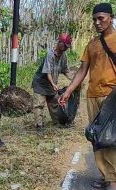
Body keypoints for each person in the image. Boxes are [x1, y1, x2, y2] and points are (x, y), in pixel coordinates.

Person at [59, 3, 116, 189]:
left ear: (111, 17)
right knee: (97, 137)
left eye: (101, 18)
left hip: (112, 97)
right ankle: (104, 174)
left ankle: (113, 179)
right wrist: (68, 91)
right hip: (92, 96)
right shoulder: (92, 44)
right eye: (94, 19)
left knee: (111, 137)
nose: (97, 22)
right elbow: (83, 70)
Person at [32, 33, 72, 129]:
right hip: (40, 83)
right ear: (59, 43)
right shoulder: (50, 54)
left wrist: (74, 80)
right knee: (39, 105)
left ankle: (57, 123)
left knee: (54, 104)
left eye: (67, 46)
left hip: (51, 84)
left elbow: (66, 70)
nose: (66, 48)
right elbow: (47, 72)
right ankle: (39, 126)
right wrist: (53, 84)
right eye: (64, 45)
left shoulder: (63, 56)